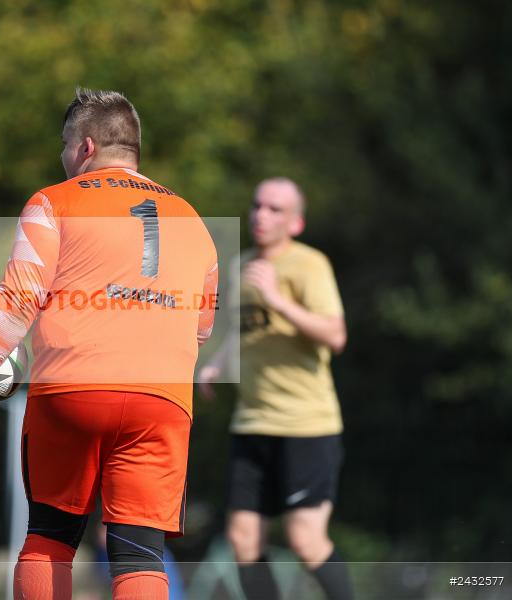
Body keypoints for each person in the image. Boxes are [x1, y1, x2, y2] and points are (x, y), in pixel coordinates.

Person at [0, 88, 219, 600]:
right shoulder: (195, 220)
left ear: (86, 147)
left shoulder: (55, 201)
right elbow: (202, 326)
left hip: (74, 389)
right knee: (139, 553)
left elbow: (22, 293)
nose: (63, 157)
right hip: (163, 401)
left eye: (65, 145)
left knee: (50, 539)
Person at [197, 177, 352, 600]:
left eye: (275, 210)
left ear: (296, 223)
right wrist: (217, 363)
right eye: (257, 206)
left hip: (306, 424)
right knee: (244, 542)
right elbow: (244, 330)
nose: (261, 215)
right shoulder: (241, 264)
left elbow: (335, 335)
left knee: (305, 540)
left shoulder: (308, 265)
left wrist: (278, 298)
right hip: (251, 422)